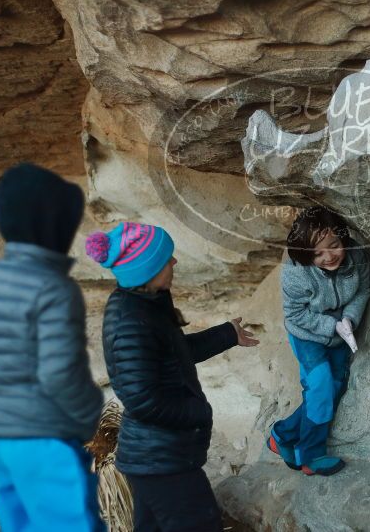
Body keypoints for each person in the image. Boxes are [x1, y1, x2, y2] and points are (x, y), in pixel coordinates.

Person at [86, 222, 259, 532]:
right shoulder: (131, 321)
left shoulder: (144, 304)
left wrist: (227, 334)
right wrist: (198, 412)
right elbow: (141, 399)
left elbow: (173, 352)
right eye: (167, 259)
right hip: (161, 460)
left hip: (156, 457)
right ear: (146, 270)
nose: (175, 262)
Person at [0, 163, 105, 532]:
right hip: (43, 439)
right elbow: (60, 373)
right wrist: (91, 413)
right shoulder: (54, 288)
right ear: (53, 226)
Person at [266, 206, 370, 476]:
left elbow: (362, 291)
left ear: (342, 239)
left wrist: (349, 319)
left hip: (341, 332)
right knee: (320, 385)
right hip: (307, 333)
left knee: (333, 389)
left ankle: (281, 436)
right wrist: (330, 325)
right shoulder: (295, 270)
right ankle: (311, 456)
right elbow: (294, 313)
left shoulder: (357, 256)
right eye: (318, 253)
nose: (329, 256)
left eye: (334, 245)